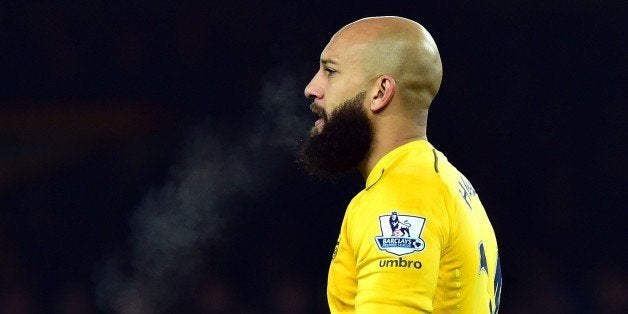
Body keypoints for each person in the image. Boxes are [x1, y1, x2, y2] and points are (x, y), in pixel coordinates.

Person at [298, 16, 501, 313]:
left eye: (330, 71)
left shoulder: (400, 198)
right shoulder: (445, 182)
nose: (311, 88)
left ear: (380, 92)